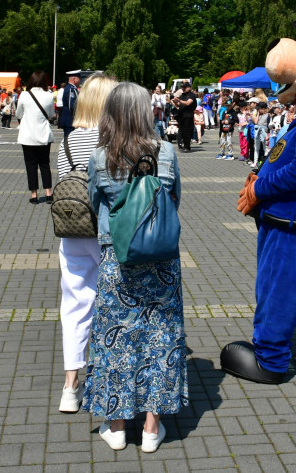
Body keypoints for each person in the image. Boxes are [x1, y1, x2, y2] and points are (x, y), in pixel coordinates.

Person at [84, 82, 187, 452]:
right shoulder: (169, 153)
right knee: (162, 336)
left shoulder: (100, 158)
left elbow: (93, 201)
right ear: (146, 113)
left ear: (110, 115)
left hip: (118, 257)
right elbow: (174, 201)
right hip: (162, 259)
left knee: (117, 339)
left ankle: (115, 428)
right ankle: (150, 428)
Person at [54, 73, 118, 414]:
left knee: (75, 305)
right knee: (115, 301)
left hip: (72, 228)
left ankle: (70, 385)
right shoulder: (113, 141)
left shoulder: (68, 141)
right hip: (107, 229)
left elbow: (65, 182)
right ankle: (111, 377)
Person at [16, 71, 55, 203]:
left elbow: (18, 113)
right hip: (43, 134)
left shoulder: (24, 95)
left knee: (31, 165)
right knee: (45, 164)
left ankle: (34, 194)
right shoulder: (49, 95)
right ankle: (49, 193)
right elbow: (51, 114)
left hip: (28, 136)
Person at [173, 81, 196, 152]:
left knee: (187, 132)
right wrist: (175, 102)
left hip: (188, 116)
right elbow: (178, 105)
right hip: (181, 115)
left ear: (188, 87)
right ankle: (182, 146)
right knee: (182, 131)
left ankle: (187, 147)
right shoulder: (182, 95)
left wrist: (179, 100)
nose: (183, 89)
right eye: (182, 87)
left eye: (184, 87)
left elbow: (188, 103)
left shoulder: (191, 95)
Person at [59, 71, 81, 139]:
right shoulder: (70, 89)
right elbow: (71, 106)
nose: (80, 80)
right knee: (69, 140)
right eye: (79, 78)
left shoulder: (71, 88)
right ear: (74, 79)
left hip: (70, 120)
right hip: (70, 120)